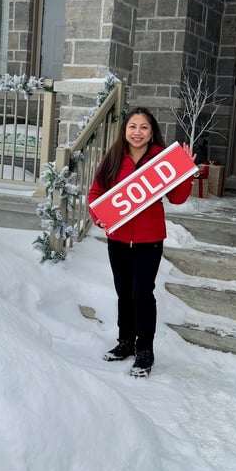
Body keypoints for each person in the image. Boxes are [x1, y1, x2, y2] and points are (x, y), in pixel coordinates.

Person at [88, 107, 195, 378]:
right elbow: (96, 193)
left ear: (152, 131)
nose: (137, 132)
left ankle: (145, 349)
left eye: (143, 127)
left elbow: (177, 198)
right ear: (125, 130)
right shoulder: (113, 157)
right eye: (132, 127)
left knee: (142, 293)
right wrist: (99, 217)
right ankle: (125, 342)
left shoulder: (161, 158)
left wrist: (185, 171)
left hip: (149, 240)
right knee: (124, 292)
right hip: (118, 239)